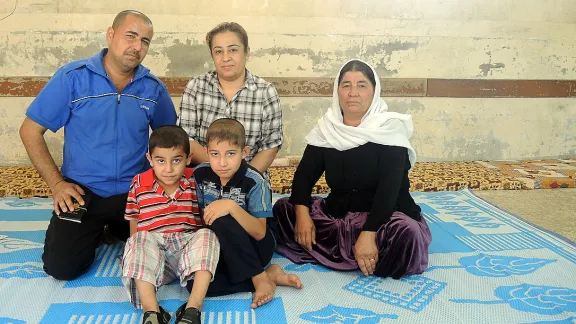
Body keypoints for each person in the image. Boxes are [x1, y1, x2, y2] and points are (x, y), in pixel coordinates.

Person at [18, 10, 177, 281]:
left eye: (145, 41)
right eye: (131, 36)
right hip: (83, 192)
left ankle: (115, 228)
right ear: (111, 34)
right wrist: (57, 185)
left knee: (167, 256)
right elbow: (30, 131)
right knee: (62, 268)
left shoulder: (153, 88)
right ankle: (96, 229)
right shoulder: (73, 78)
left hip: (134, 193)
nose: (137, 46)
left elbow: (170, 139)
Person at [272, 59, 432, 279]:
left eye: (362, 85)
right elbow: (304, 176)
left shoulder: (390, 131)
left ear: (374, 92)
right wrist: (302, 214)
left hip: (383, 218)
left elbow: (389, 191)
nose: (353, 92)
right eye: (346, 85)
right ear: (337, 91)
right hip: (338, 215)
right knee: (283, 209)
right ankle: (358, 255)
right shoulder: (328, 129)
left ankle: (359, 249)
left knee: (408, 234)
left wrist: (369, 233)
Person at [189, 118, 301, 309]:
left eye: (231, 154)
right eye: (215, 154)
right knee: (194, 285)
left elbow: (260, 232)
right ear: (206, 151)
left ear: (245, 152)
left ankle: (257, 276)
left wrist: (232, 207)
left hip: (257, 245)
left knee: (222, 218)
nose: (222, 162)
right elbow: (202, 220)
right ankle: (268, 275)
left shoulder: (255, 181)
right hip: (225, 247)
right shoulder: (200, 174)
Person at [123, 125, 218, 324]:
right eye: (160, 161)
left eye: (176, 160)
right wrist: (132, 251)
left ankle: (193, 309)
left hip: (189, 256)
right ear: (149, 159)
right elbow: (134, 220)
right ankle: (152, 312)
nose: (168, 169)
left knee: (208, 235)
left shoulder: (195, 179)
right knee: (138, 239)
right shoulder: (139, 183)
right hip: (155, 256)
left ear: (188, 158)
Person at [178, 22, 282, 174]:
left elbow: (269, 146)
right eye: (219, 51)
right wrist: (221, 170)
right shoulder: (196, 87)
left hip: (250, 179)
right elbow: (187, 138)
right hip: (204, 178)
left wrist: (243, 180)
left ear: (247, 52)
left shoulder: (266, 92)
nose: (226, 58)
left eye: (233, 50)